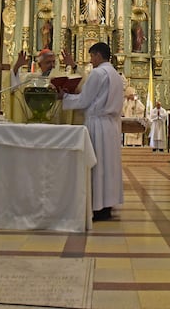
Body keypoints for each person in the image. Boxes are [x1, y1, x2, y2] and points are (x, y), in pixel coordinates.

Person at [60, 42, 124, 221]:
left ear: (97, 55)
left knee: (97, 166)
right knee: (108, 166)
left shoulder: (98, 73)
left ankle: (97, 206)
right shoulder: (116, 75)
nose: (91, 61)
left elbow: (84, 100)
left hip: (97, 124)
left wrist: (63, 97)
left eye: (91, 57)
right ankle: (107, 205)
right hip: (111, 126)